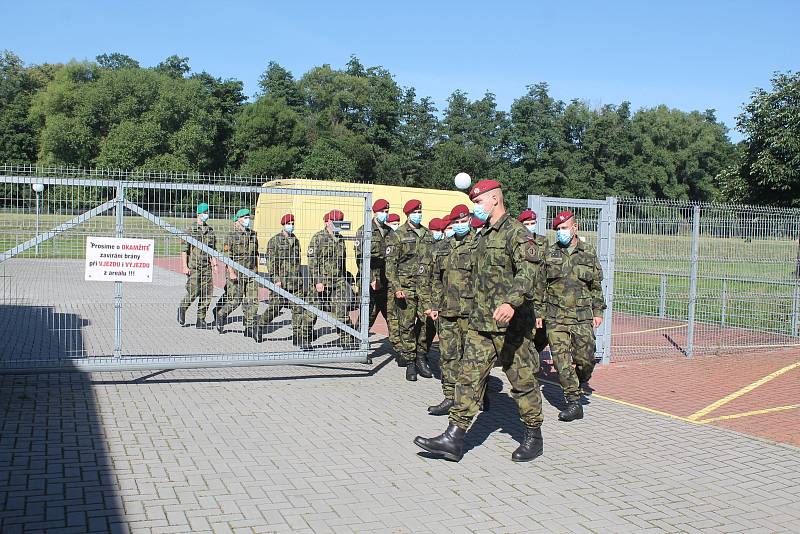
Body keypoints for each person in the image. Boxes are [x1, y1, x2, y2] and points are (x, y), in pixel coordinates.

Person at [414, 179, 546, 463]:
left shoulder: (516, 233)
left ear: (495, 200)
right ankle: (453, 437)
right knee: (468, 378)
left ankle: (533, 435)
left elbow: (528, 271)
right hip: (481, 323)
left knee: (522, 382)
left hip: (511, 327)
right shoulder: (483, 234)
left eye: (479, 202)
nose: (476, 207)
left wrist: (512, 301)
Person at [537, 210, 606, 422]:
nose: (560, 232)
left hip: (582, 315)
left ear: (575, 228)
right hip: (555, 316)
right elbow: (540, 286)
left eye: (564, 228)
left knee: (585, 357)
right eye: (557, 229)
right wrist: (538, 313)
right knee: (560, 360)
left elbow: (595, 286)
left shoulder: (588, 252)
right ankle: (573, 401)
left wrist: (597, 311)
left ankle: (581, 379)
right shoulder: (549, 253)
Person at [424, 204, 487, 416]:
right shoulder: (442, 247)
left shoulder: (480, 245)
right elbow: (435, 279)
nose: (460, 225)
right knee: (448, 356)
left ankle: (476, 396)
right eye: (456, 223)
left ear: (470, 220)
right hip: (447, 312)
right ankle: (450, 397)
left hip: (472, 313)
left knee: (473, 358)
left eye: (463, 221)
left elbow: (486, 280)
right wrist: (432, 305)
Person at [385, 199, 435, 381]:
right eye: (415, 212)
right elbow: (390, 266)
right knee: (406, 325)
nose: (418, 214)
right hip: (405, 289)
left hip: (424, 288)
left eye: (419, 211)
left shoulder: (427, 234)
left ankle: (421, 356)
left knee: (425, 324)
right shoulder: (397, 235)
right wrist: (397, 287)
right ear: (408, 214)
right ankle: (410, 362)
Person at [256, 213, 311, 346]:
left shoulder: (296, 240)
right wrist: (276, 280)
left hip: (295, 281)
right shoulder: (274, 241)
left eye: (293, 223)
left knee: (298, 309)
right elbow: (271, 262)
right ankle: (259, 326)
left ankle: (298, 337)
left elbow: (297, 261)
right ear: (283, 224)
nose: (291, 226)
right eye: (289, 223)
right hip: (281, 281)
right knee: (275, 308)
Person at [306, 209, 358, 348]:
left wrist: (346, 279)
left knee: (342, 310)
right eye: (335, 221)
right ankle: (304, 338)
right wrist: (317, 281)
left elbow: (343, 262)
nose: (338, 224)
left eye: (340, 222)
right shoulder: (318, 238)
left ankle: (346, 340)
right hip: (321, 281)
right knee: (313, 312)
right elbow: (312, 261)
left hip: (338, 281)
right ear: (328, 222)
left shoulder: (340, 239)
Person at [216, 208, 260, 341]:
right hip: (236, 273)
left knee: (252, 301)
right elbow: (227, 257)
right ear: (238, 219)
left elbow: (255, 254)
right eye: (245, 217)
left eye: (249, 217)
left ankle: (249, 327)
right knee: (235, 300)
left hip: (251, 272)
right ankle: (221, 314)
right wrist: (231, 272)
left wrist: (256, 271)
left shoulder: (253, 235)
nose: (248, 219)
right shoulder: (231, 236)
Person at [177, 202, 218, 329]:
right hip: (194, 266)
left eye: (207, 212)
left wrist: (215, 264)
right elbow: (184, 249)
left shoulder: (210, 231)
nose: (206, 215)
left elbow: (213, 250)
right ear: (198, 214)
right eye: (204, 212)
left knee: (207, 294)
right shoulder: (190, 230)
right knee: (193, 292)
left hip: (206, 266)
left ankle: (201, 319)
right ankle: (182, 308)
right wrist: (185, 266)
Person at [354, 199, 391, 331]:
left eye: (387, 211)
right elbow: (360, 260)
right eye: (382, 211)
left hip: (386, 282)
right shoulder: (364, 230)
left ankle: (402, 350)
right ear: (375, 212)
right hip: (369, 283)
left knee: (393, 319)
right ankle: (356, 343)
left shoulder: (390, 232)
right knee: (367, 316)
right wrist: (372, 279)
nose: (385, 214)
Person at [518, 209, 550, 356]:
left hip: (541, 292)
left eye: (532, 223)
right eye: (527, 223)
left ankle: (533, 357)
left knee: (542, 334)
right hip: (524, 292)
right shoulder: (517, 242)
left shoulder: (543, 241)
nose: (530, 226)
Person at [384, 213, 403, 355]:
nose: (395, 225)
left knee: (395, 317)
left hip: (396, 284)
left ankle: (400, 349)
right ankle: (360, 342)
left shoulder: (398, 236)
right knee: (370, 316)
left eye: (398, 222)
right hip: (379, 284)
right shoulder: (368, 231)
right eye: (393, 222)